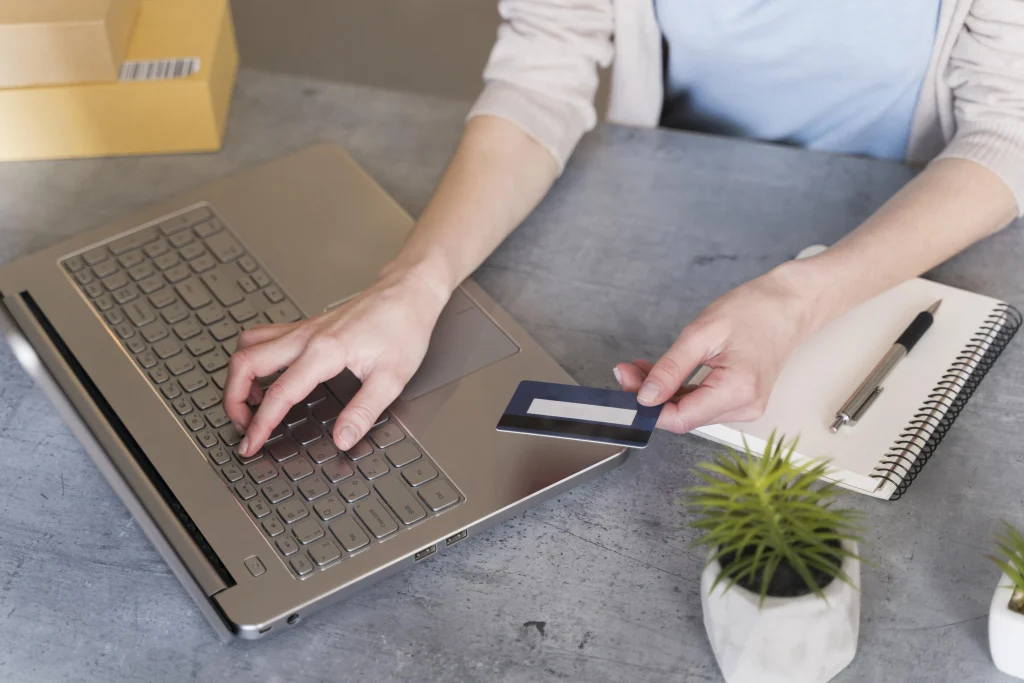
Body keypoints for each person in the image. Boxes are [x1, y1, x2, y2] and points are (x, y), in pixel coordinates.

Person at [225, 0, 1024, 459]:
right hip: (663, 200)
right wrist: (411, 283)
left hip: (910, 224)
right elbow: (544, 66)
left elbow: (1008, 129)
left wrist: (798, 298)